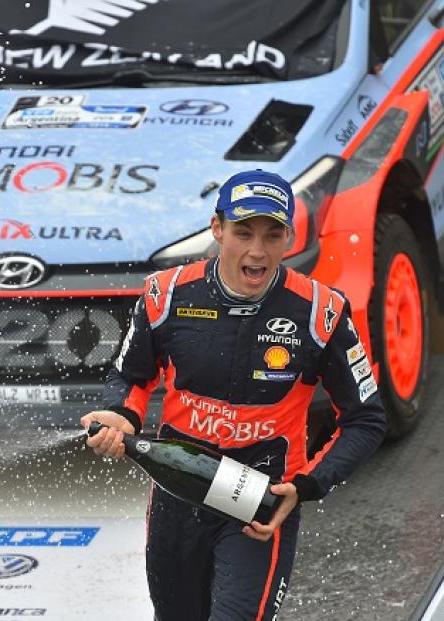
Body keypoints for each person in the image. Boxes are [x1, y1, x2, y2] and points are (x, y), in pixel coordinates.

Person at [81, 169, 387, 621]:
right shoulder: (164, 294)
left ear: (290, 236)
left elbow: (366, 419)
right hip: (177, 495)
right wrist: (121, 415)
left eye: (272, 234)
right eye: (243, 232)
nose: (257, 251)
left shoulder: (324, 311)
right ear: (217, 228)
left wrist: (306, 486)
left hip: (258, 501)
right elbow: (131, 377)